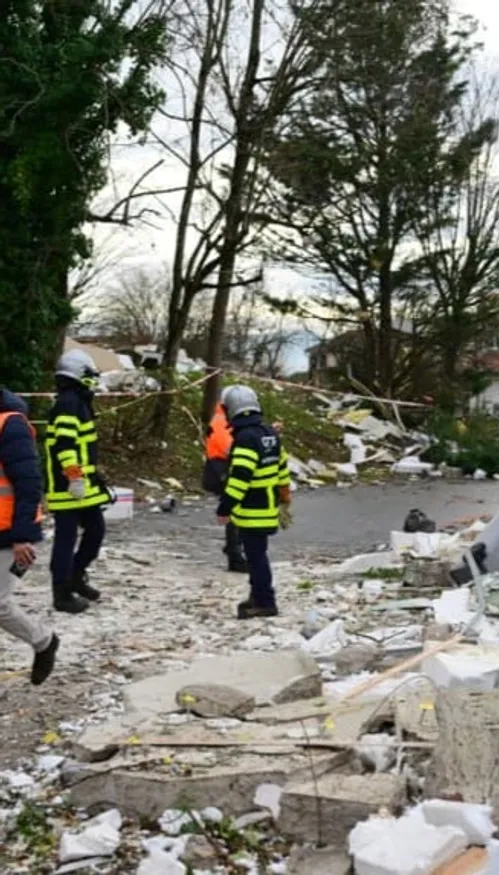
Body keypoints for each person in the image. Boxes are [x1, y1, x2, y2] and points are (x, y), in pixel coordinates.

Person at [216, 384, 292, 619]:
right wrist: (284, 499)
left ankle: (265, 601)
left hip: (252, 511)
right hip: (267, 508)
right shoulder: (269, 434)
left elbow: (240, 478)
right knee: (258, 554)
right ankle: (257, 596)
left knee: (257, 558)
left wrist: (224, 507)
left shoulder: (245, 439)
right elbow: (282, 469)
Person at [45, 349, 111, 614]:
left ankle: (76, 575)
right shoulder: (68, 403)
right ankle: (61, 592)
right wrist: (74, 476)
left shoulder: (78, 401)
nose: (93, 380)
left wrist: (92, 474)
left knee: (95, 532)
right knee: (66, 539)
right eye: (89, 375)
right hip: (68, 487)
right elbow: (65, 445)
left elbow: (82, 447)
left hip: (84, 484)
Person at [0, 389, 59, 685]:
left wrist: (22, 536)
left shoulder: (11, 424)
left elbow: (28, 482)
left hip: (10, 535)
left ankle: (44, 641)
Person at [203, 389, 248, 573]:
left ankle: (234, 549)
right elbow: (230, 447)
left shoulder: (224, 420)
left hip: (220, 467)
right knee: (234, 512)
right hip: (220, 468)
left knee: (234, 511)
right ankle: (235, 556)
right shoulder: (221, 422)